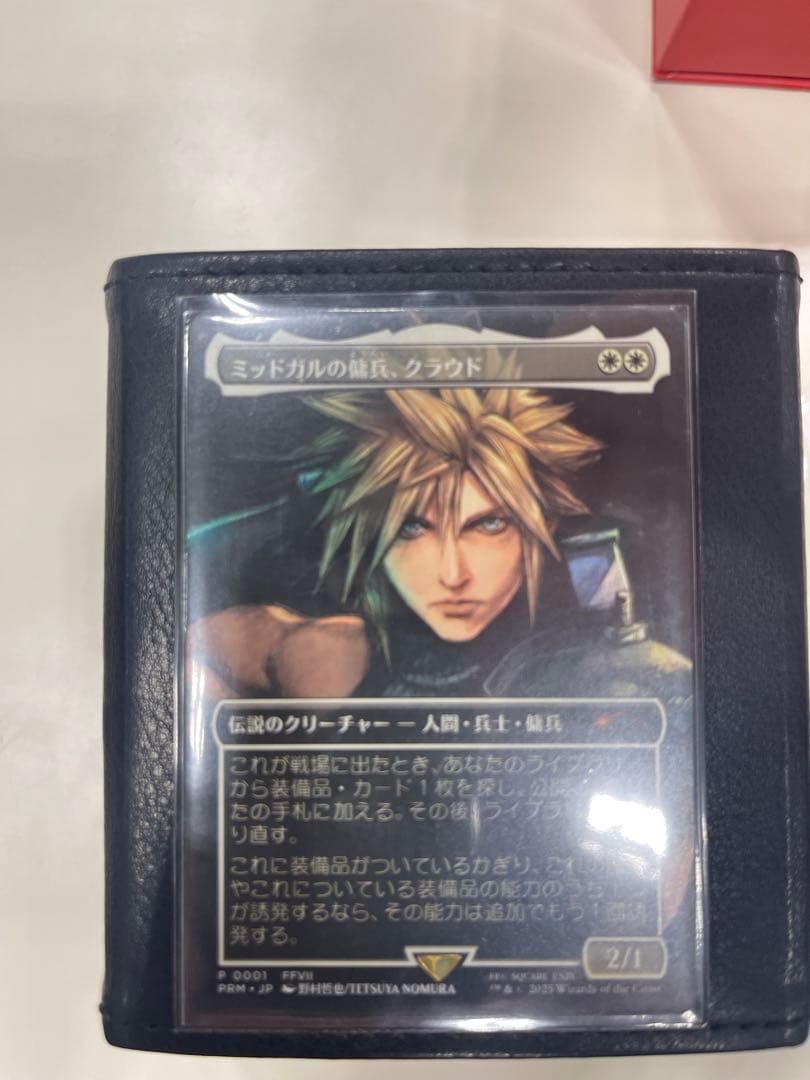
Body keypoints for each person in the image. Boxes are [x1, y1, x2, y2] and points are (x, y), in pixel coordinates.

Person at [186, 384, 614, 699]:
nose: (453, 575)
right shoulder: (314, 652)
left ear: (544, 524)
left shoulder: (596, 645)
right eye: (411, 528)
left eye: (487, 525)